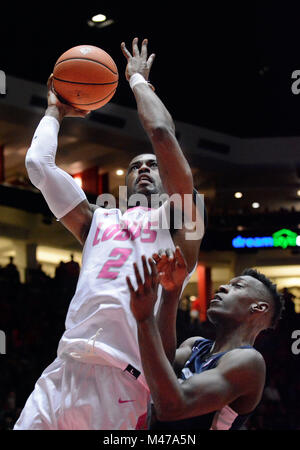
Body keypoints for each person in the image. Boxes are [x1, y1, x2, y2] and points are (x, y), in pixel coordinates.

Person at [14, 38, 205, 430]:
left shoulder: (183, 219)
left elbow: (163, 136)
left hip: (123, 381)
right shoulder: (95, 220)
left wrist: (137, 81)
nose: (146, 170)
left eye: (154, 166)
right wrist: (55, 109)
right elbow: (37, 163)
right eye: (136, 167)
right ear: (126, 180)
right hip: (61, 372)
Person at [127, 247, 285, 430]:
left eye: (237, 286)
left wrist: (146, 319)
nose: (224, 287)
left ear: (259, 308)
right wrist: (171, 293)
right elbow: (155, 370)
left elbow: (171, 407)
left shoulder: (249, 361)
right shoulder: (195, 345)